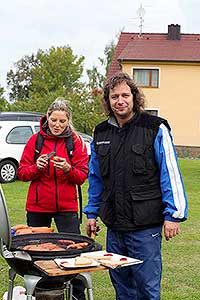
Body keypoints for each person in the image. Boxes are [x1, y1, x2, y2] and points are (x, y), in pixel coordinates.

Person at [83, 72, 188, 300]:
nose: (120, 101)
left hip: (145, 227)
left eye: (124, 95)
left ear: (134, 97)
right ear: (108, 101)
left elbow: (170, 174)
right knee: (122, 288)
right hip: (115, 227)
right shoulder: (100, 132)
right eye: (114, 97)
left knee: (147, 289)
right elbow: (96, 178)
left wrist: (173, 215)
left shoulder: (155, 128)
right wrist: (91, 213)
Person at [17, 97, 89, 300]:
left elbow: (82, 176)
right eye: (54, 120)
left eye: (62, 121)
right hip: (38, 207)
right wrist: (36, 168)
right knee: (35, 253)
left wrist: (68, 169)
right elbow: (22, 173)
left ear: (68, 121)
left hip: (66, 207)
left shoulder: (75, 142)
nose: (57, 125)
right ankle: (40, 293)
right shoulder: (35, 141)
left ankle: (76, 295)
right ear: (47, 118)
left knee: (73, 254)